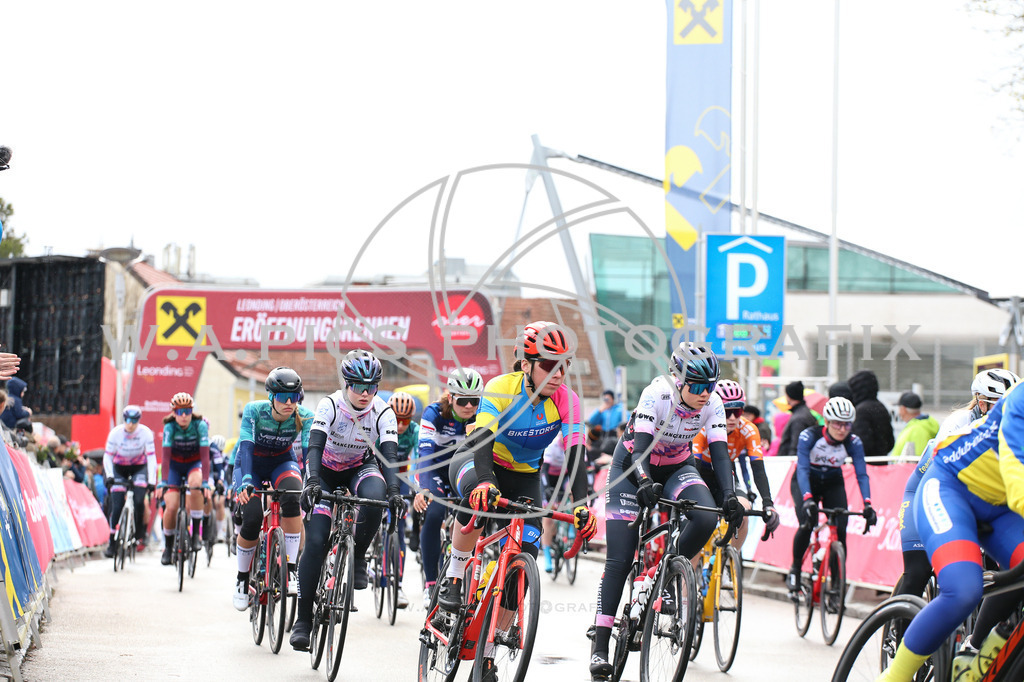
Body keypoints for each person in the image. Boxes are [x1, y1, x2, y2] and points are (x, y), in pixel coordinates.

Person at [437, 321, 598, 679]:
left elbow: (575, 457)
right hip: (480, 460)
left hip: (524, 475)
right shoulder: (500, 388)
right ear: (526, 364)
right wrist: (484, 482)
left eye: (563, 366)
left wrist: (581, 504)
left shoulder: (567, 401)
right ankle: (453, 575)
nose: (557, 374)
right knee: (479, 507)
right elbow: (480, 441)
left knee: (525, 557)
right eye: (548, 365)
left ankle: (490, 651)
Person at [589, 342, 745, 680]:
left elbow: (719, 455)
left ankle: (663, 574)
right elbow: (640, 451)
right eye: (699, 386)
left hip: (676, 466)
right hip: (632, 468)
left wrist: (729, 496)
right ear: (679, 379)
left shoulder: (713, 403)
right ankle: (600, 647)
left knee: (706, 515)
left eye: (712, 385)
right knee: (619, 557)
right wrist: (644, 482)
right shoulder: (657, 394)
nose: (707, 393)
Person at [878, 381, 1024, 682]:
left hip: (999, 504)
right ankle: (895, 677)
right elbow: (1017, 483)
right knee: (963, 589)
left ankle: (981, 651)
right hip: (950, 488)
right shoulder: (1019, 402)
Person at [289, 350, 406, 652]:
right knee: (315, 542)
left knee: (375, 498)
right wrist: (313, 480)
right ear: (346, 384)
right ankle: (302, 620)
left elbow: (390, 457)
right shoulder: (329, 405)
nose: (365, 394)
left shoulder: (384, 411)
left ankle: (359, 558)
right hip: (325, 472)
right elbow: (314, 446)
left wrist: (395, 492)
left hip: (358, 468)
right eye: (358, 386)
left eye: (372, 387)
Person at [231, 368, 312, 611]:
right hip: (251, 465)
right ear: (270, 397)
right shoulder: (254, 410)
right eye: (282, 397)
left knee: (293, 497)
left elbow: (309, 454)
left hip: (281, 462)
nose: (289, 403)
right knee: (253, 517)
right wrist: (246, 479)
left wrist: (310, 481)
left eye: (294, 397)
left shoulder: (305, 416)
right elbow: (245, 447)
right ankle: (242, 580)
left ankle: (291, 568)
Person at [786, 396, 875, 596]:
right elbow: (802, 469)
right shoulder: (809, 436)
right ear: (826, 421)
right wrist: (808, 499)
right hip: (806, 480)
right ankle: (795, 569)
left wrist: (868, 504)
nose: (842, 429)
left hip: (833, 482)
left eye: (847, 424)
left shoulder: (854, 442)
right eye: (837, 423)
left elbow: (862, 474)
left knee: (841, 529)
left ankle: (836, 584)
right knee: (807, 523)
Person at [411, 370, 482, 605]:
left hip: (463, 471)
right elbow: (426, 452)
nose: (470, 406)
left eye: (475, 400)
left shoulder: (481, 415)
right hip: (437, 470)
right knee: (433, 514)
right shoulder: (435, 413)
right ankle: (431, 583)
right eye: (463, 400)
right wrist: (424, 487)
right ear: (451, 398)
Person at [691, 380, 781, 546]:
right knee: (701, 519)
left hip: (725, 474)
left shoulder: (749, 429)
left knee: (743, 512)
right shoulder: (702, 427)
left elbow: (758, 469)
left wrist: (768, 503)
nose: (732, 418)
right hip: (700, 473)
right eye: (727, 411)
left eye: (738, 411)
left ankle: (730, 563)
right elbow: (694, 465)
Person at [156, 392, 211, 565]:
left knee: (196, 485)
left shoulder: (200, 425)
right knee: (171, 506)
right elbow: (164, 458)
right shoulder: (169, 428)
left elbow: (205, 457)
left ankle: (195, 534)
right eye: (180, 412)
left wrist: (205, 483)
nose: (184, 415)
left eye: (187, 411)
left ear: (192, 411)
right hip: (174, 466)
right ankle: (168, 547)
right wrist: (164, 482)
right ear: (174, 413)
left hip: (193, 464)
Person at [103, 405, 156, 557]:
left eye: (134, 420)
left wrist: (151, 481)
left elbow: (151, 457)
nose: (130, 424)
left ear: (138, 421)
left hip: (139, 468)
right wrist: (110, 476)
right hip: (119, 469)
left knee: (140, 501)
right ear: (124, 419)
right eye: (127, 420)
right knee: (117, 505)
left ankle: (140, 532)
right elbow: (108, 456)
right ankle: (112, 543)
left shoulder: (145, 433)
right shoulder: (115, 434)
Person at [385, 390, 422, 610]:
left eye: (405, 421)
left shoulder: (415, 432)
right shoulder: (382, 426)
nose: (400, 426)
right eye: (396, 420)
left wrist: (417, 488)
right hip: (380, 472)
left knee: (398, 527)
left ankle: (397, 585)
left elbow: (419, 460)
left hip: (401, 475)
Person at [848, 369, 895, 466]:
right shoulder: (881, 407)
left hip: (866, 466)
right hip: (882, 464)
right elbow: (890, 442)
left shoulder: (861, 410)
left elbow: (862, 444)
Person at [776, 380, 819, 458]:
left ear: (789, 396)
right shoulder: (804, 413)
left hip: (792, 463)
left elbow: (796, 446)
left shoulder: (799, 418)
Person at [890, 391, 938, 460]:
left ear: (903, 409)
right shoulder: (921, 425)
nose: (899, 412)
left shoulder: (918, 430)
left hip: (907, 469)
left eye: (899, 408)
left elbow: (919, 460)